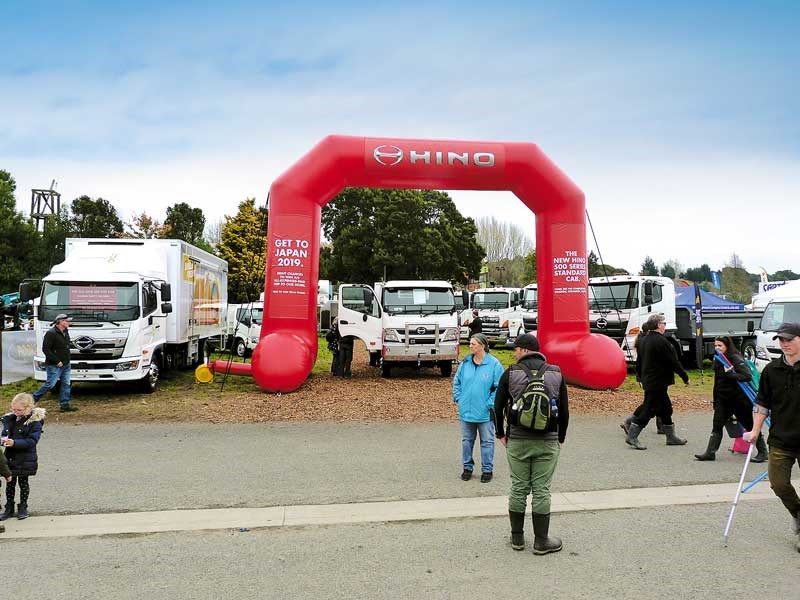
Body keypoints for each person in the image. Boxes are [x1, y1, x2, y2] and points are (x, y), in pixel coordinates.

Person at [494, 333, 569, 554]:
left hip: (517, 439)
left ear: (525, 350)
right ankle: (541, 541)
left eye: (516, 349)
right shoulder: (556, 373)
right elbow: (564, 410)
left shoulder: (511, 373)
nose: (514, 353)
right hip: (547, 440)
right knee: (542, 490)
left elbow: (497, 407)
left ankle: (517, 539)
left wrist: (501, 433)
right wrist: (561, 437)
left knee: (518, 488)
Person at [747, 322, 800, 553]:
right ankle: (798, 513)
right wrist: (755, 430)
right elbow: (762, 403)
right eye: (781, 339)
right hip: (781, 438)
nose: (784, 343)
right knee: (778, 483)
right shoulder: (771, 371)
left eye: (789, 339)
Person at [694, 335, 767, 462]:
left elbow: (746, 376)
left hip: (739, 400)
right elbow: (718, 382)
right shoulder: (718, 359)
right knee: (717, 425)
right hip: (723, 399)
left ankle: (763, 452)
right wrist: (716, 400)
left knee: (750, 425)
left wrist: (730, 374)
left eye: (720, 346)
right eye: (716, 345)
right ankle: (710, 452)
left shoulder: (735, 358)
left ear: (727, 346)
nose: (717, 348)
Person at [625, 314, 689, 449]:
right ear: (659, 325)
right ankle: (632, 435)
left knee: (666, 408)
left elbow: (639, 361)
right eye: (664, 323)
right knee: (649, 409)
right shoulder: (662, 341)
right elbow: (673, 361)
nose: (665, 326)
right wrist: (684, 376)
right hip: (657, 381)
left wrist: (640, 377)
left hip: (650, 379)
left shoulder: (644, 340)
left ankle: (671, 437)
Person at [453, 333, 504, 483]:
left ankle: (487, 470)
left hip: (485, 413)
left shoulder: (494, 364)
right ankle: (467, 467)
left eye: (473, 344)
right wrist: (458, 397)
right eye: (470, 343)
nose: (470, 346)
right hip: (466, 412)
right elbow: (457, 382)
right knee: (467, 441)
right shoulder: (465, 363)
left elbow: (499, 388)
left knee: (487, 442)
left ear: (482, 346)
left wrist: (490, 403)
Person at [0, 393, 45, 521]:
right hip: (10, 456)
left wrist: (14, 443)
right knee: (10, 482)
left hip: (26, 458)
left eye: (18, 410)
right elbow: (5, 434)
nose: (15, 412)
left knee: (23, 483)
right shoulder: (10, 419)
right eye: (13, 409)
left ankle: (23, 506)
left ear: (29, 408)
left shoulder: (35, 423)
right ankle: (9, 507)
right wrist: (3, 440)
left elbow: (32, 441)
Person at [32, 313, 78, 412]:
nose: (69, 322)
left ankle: (64, 405)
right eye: (66, 321)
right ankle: (32, 399)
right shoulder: (51, 333)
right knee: (50, 384)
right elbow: (46, 349)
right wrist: (57, 361)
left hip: (66, 363)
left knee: (66, 384)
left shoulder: (65, 331)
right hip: (54, 365)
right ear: (60, 322)